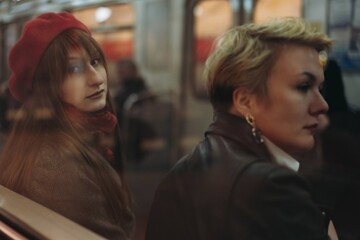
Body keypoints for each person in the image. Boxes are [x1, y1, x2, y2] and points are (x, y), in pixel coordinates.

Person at [146, 17, 337, 240]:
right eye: (303, 87)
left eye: (320, 88)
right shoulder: (274, 188)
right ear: (245, 101)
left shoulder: (181, 172)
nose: (322, 105)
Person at [0, 12, 134, 239]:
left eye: (94, 62)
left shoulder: (82, 136)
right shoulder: (56, 169)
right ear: (48, 86)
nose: (96, 78)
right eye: (74, 70)